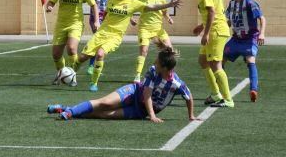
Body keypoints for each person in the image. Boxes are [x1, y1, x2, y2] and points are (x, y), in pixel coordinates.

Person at [73, 0, 180, 92]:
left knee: (100, 54)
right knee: (82, 58)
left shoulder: (133, 2)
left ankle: (93, 83)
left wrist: (169, 5)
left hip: (115, 36)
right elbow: (106, 13)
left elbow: (151, 7)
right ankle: (71, 74)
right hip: (101, 33)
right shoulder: (111, 0)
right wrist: (98, 23)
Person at [47, 48, 199, 122]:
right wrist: (152, 115)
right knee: (104, 103)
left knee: (104, 114)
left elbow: (188, 96)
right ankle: (70, 112)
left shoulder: (176, 83)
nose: (154, 63)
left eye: (157, 62)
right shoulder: (153, 71)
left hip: (139, 111)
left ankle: (67, 110)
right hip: (133, 92)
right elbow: (146, 95)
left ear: (165, 68)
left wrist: (191, 115)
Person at [45, 0, 99, 85]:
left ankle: (73, 76)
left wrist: (96, 20)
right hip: (61, 24)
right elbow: (51, 1)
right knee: (56, 54)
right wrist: (49, 6)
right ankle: (61, 74)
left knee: (71, 48)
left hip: (76, 24)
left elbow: (94, 5)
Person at [191, 0, 233, 108]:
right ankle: (215, 94)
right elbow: (213, 12)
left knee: (216, 65)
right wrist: (201, 26)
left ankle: (228, 100)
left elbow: (211, 12)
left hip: (216, 31)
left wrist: (206, 33)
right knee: (203, 61)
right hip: (216, 29)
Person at [224, 0, 266, 102]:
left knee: (250, 61)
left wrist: (262, 34)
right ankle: (220, 90)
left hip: (249, 39)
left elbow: (262, 18)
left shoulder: (250, 3)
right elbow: (229, 22)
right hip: (235, 40)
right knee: (220, 61)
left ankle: (253, 90)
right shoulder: (231, 4)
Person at [129, 0, 173, 83]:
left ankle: (153, 70)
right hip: (144, 29)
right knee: (144, 50)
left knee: (169, 50)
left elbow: (164, 11)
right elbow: (129, 10)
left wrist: (168, 18)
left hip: (158, 30)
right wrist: (131, 19)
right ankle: (138, 75)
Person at [87, 0, 115, 75]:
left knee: (104, 44)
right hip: (96, 17)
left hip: (108, 18)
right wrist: (95, 20)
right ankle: (91, 66)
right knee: (98, 41)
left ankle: (96, 65)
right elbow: (92, 3)